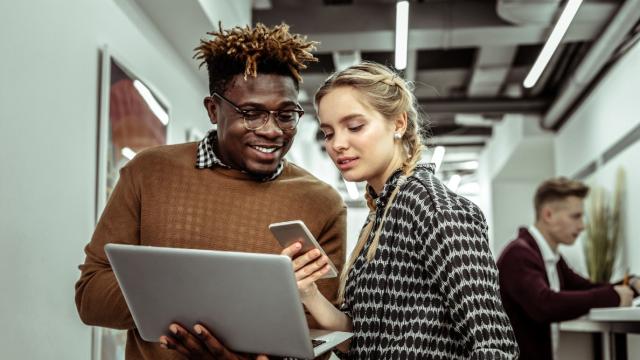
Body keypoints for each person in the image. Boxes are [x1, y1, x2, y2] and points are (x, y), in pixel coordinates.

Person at [75, 23, 347, 360]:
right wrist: (209, 305)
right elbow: (91, 297)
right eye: (252, 113)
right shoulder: (148, 172)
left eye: (286, 114)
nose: (273, 130)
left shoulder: (321, 202)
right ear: (213, 109)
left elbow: (321, 336)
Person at [281, 61, 519, 359]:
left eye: (355, 126)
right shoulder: (379, 215)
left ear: (398, 123)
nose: (338, 144)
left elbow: (495, 347)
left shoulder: (433, 208)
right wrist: (309, 294)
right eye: (328, 133)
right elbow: (361, 342)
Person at [496, 177, 638, 360]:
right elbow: (544, 304)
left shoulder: (549, 257)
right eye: (575, 216)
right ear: (548, 215)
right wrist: (614, 296)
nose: (582, 226)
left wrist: (631, 284)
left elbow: (586, 288)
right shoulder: (519, 255)